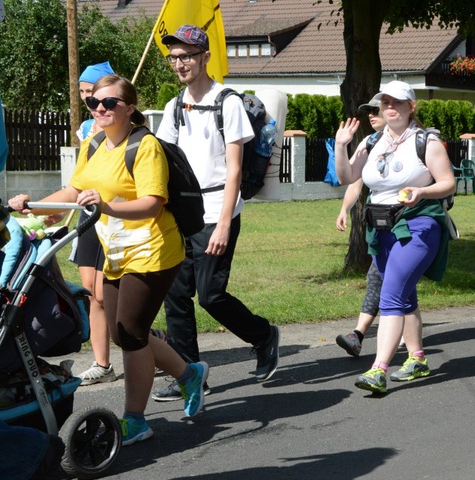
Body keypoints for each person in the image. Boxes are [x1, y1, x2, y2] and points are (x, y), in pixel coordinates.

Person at [9, 74, 209, 446]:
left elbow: (152, 204)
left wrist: (105, 206)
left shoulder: (144, 146)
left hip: (153, 250)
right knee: (122, 332)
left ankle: (135, 419)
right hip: (116, 249)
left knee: (130, 333)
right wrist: (32, 206)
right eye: (93, 103)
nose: (100, 109)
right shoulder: (93, 143)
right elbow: (72, 192)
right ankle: (188, 373)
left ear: (129, 107)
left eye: (109, 103)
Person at [153, 24, 280, 402]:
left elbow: (235, 169)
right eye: (174, 57)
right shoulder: (176, 106)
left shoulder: (228, 102)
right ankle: (189, 374)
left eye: (187, 56)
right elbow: (165, 161)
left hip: (216, 210)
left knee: (210, 295)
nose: (180, 63)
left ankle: (263, 335)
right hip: (182, 212)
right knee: (175, 296)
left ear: (205, 57)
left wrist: (224, 222)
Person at [334, 80, 455, 393]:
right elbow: (347, 177)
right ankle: (416, 358)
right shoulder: (372, 141)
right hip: (382, 228)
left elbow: (448, 183)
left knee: (391, 293)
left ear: (411, 107)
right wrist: (341, 145)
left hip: (419, 224)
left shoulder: (426, 141)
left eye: (397, 102)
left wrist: (422, 190)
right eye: (385, 102)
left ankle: (378, 370)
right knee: (406, 294)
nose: (390, 107)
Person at [72, 61, 118, 386]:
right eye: (85, 96)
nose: (92, 103)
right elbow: (79, 178)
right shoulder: (86, 131)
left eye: (94, 94)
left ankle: (144, 338)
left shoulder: (120, 128)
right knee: (90, 292)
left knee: (105, 295)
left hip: (113, 215)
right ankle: (103, 364)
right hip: (88, 213)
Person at [335, 97, 386, 357]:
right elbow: (352, 180)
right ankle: (362, 335)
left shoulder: (414, 140)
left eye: (377, 110)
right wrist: (344, 209)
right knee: (388, 280)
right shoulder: (370, 142)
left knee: (387, 279)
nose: (371, 115)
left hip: (410, 224)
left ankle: (362, 334)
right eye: (369, 111)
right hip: (380, 222)